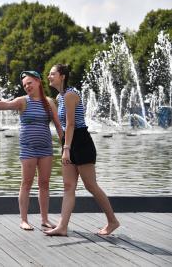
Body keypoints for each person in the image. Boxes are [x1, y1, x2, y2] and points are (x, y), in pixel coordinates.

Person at [0, 70, 62, 230]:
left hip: (46, 148)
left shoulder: (49, 102)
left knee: (44, 183)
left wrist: (66, 146)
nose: (27, 87)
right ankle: (24, 220)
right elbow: (6, 105)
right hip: (28, 148)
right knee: (26, 183)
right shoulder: (23, 101)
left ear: (37, 81)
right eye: (24, 85)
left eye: (29, 83)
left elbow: (57, 124)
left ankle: (45, 219)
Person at [44, 64, 120, 236]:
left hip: (81, 142)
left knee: (91, 185)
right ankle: (62, 227)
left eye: (52, 74)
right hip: (69, 141)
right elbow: (63, 125)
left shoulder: (70, 94)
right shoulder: (60, 96)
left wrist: (66, 148)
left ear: (62, 76)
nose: (49, 76)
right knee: (68, 186)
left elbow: (71, 124)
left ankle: (113, 221)